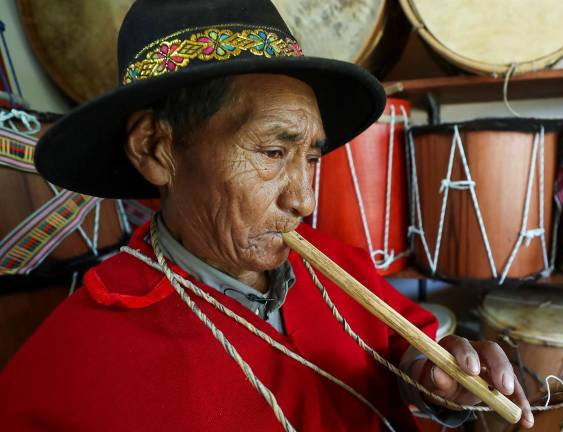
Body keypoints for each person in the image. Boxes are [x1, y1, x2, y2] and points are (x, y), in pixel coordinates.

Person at [0, 0, 533, 430]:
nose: (304, 200)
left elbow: (401, 348)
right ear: (158, 148)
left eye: (311, 157)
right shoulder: (77, 358)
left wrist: (432, 376)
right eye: (273, 154)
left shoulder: (334, 262)